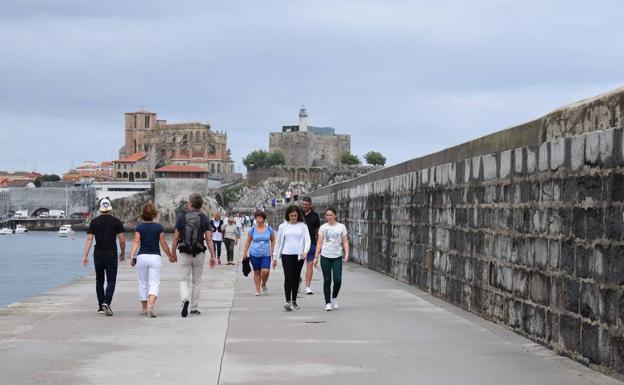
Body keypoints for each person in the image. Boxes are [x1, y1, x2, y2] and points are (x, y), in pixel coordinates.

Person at [171, 193, 217, 317]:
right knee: (197, 281)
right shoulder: (204, 218)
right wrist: (213, 256)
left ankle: (185, 299)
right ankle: (194, 308)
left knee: (183, 280)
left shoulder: (181, 217)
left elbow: (176, 238)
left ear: (190, 203)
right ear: (201, 206)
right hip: (199, 253)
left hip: (184, 252)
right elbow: (208, 238)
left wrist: (172, 254)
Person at [81, 198, 125, 316]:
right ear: (110, 208)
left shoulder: (94, 222)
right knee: (111, 280)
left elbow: (89, 239)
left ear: (100, 209)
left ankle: (101, 306)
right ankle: (107, 302)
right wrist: (123, 252)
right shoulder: (116, 221)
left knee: (99, 281)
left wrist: (85, 255)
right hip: (111, 254)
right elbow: (122, 240)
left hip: (98, 255)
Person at [129, 203, 173, 318]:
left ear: (143, 214)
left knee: (142, 282)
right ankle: (150, 306)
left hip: (142, 257)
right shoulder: (158, 227)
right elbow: (163, 243)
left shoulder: (139, 227)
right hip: (155, 257)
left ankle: (144, 308)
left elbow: (136, 242)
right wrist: (170, 255)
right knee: (154, 283)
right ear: (154, 214)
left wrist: (132, 256)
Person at [273, 205, 310, 311]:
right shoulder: (283, 227)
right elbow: (278, 242)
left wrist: (305, 251)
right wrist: (274, 257)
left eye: (295, 215)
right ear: (288, 215)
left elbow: (308, 240)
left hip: (299, 255)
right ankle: (287, 301)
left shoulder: (303, 226)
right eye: (291, 215)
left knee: (295, 277)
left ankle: (294, 300)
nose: (293, 217)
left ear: (298, 215)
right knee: (288, 276)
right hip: (286, 254)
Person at [314, 207, 349, 311]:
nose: (328, 217)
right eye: (327, 215)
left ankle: (334, 297)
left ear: (335, 215)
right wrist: (316, 256)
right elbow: (319, 242)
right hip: (325, 256)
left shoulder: (341, 227)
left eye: (330, 215)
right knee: (327, 280)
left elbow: (345, 241)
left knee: (337, 280)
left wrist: (346, 253)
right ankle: (327, 302)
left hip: (337, 256)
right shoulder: (323, 227)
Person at [242, 210, 275, 296]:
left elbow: (273, 240)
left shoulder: (269, 229)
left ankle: (263, 284)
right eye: (257, 218)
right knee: (257, 272)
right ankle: (257, 290)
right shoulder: (252, 230)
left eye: (260, 218)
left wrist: (272, 250)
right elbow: (248, 242)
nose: (258, 219)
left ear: (264, 219)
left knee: (265, 271)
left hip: (266, 254)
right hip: (254, 254)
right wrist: (245, 253)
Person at [301, 197, 321, 295]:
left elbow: (318, 231)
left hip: (312, 243)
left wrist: (319, 245)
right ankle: (297, 281)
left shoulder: (315, 215)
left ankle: (308, 286)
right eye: (303, 204)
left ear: (310, 205)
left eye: (306, 204)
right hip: (299, 244)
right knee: (297, 266)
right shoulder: (297, 213)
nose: (304, 206)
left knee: (310, 264)